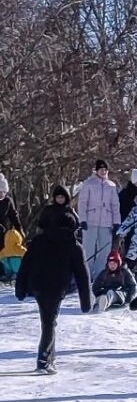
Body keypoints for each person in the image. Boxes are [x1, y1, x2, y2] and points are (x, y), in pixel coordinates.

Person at [14, 204, 91, 373]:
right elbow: (82, 274)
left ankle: (49, 358)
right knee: (49, 322)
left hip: (37, 285)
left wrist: (20, 289)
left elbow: (25, 265)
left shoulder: (38, 241)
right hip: (56, 287)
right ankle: (43, 361)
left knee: (48, 320)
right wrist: (86, 302)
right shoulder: (73, 244)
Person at [77, 159, 121, 277]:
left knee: (104, 251)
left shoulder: (111, 186)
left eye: (105, 169)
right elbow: (82, 202)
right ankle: (86, 275)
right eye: (101, 169)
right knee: (88, 250)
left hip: (106, 223)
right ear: (96, 170)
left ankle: (100, 275)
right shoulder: (89, 183)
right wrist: (82, 219)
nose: (103, 171)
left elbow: (115, 205)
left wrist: (116, 222)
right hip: (90, 222)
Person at [0, 173, 23, 239]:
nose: (1, 194)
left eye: (4, 192)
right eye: (0, 192)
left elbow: (13, 216)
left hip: (3, 234)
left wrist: (19, 229)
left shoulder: (7, 201)